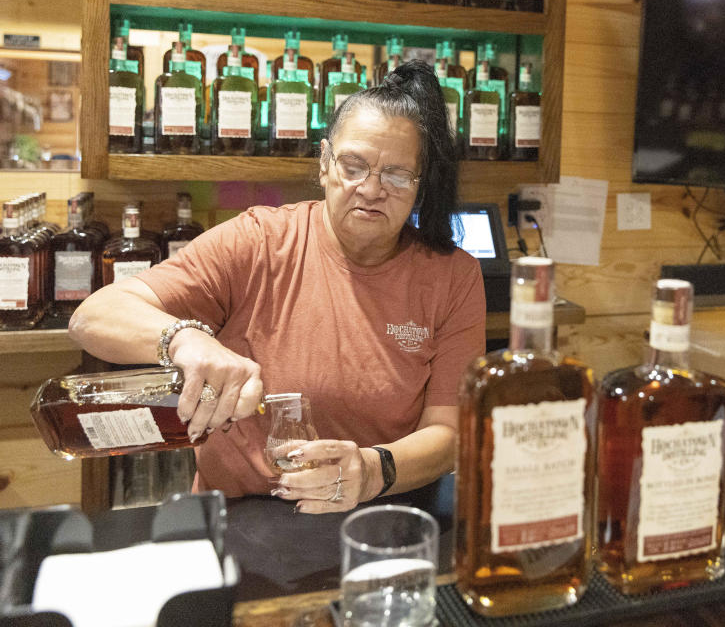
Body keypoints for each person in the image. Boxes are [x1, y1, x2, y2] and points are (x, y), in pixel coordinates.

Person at [69, 60, 486, 514]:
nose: (371, 189)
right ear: (324, 163)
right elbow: (93, 316)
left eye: (396, 175)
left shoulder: (452, 276)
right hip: (244, 509)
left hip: (383, 510)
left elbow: (449, 434)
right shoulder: (260, 241)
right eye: (353, 166)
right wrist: (185, 341)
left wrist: (370, 470)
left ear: (419, 185)